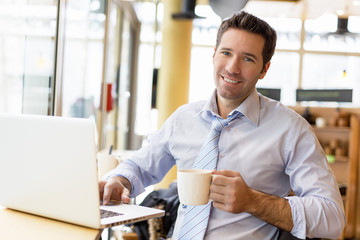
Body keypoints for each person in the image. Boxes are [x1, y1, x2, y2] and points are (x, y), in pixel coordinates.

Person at [99, 11, 345, 239]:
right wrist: (120, 180)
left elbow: (332, 217)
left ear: (264, 69)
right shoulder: (183, 119)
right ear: (214, 53)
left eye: (247, 59)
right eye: (226, 53)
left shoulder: (291, 129)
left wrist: (252, 201)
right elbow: (140, 166)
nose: (232, 68)